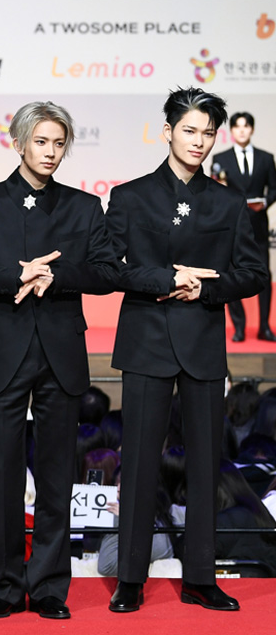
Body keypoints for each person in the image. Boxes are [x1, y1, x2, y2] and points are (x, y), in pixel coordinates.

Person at [0, 101, 118, 620]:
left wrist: (55, 277)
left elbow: (107, 271)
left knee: (55, 475)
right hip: (2, 350)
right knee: (1, 473)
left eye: (58, 143)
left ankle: (47, 586)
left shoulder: (84, 207)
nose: (50, 152)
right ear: (18, 142)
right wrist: (15, 276)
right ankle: (4, 585)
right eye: (41, 141)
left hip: (60, 352)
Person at [106, 87, 267, 613]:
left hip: (202, 343)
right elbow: (108, 268)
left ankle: (201, 576)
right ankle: (130, 577)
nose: (199, 141)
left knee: (205, 465)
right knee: (138, 464)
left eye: (207, 133)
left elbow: (254, 273)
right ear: (167, 131)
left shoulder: (227, 201)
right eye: (190, 130)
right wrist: (166, 279)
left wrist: (207, 286)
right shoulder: (129, 196)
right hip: (146, 341)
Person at [210, 112, 276, 341]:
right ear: (231, 131)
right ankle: (239, 326)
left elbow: (274, 188)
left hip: (258, 225)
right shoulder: (220, 158)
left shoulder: (266, 158)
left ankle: (264, 326)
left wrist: (264, 203)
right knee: (231, 274)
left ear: (252, 129)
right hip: (231, 225)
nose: (241, 130)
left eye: (246, 126)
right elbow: (214, 190)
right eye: (237, 126)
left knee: (264, 275)